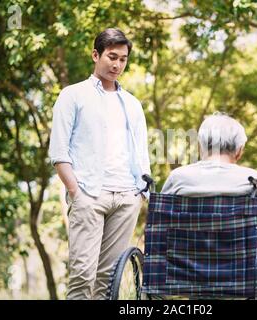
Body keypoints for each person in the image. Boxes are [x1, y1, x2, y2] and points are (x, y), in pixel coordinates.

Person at [48, 28, 150, 300]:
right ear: (96, 55)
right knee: (83, 275)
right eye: (111, 57)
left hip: (127, 197)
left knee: (108, 281)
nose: (117, 64)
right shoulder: (73, 95)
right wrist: (76, 193)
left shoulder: (132, 104)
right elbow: (59, 152)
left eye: (123, 59)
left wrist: (140, 193)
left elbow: (141, 151)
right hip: (89, 196)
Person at [161, 112, 257, 242]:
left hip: (182, 260)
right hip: (240, 261)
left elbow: (158, 227)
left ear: (200, 147)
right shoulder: (253, 181)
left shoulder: (177, 178)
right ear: (239, 151)